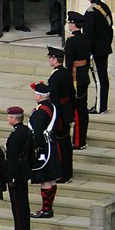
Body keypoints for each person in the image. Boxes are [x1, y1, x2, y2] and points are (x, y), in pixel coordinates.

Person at [29, 82, 62, 218]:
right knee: (51, 179)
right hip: (51, 143)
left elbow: (37, 134)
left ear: (39, 96)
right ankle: (48, 208)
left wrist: (34, 148)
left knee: (46, 179)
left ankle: (46, 209)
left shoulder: (39, 112)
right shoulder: (52, 107)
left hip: (43, 147)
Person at [84, 0, 113, 115]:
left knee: (100, 79)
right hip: (104, 48)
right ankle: (102, 105)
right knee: (103, 77)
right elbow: (110, 28)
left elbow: (89, 35)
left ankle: (101, 107)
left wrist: (88, 51)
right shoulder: (105, 7)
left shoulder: (91, 11)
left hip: (96, 50)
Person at [5, 107, 33, 230]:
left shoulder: (16, 135)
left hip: (17, 173)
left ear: (13, 118)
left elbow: (13, 158)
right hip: (24, 170)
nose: (7, 119)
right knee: (23, 204)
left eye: (9, 116)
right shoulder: (26, 130)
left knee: (18, 205)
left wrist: (10, 177)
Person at [46, 46, 73, 183]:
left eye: (50, 57)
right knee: (65, 144)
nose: (49, 60)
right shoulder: (65, 72)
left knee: (61, 145)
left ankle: (63, 173)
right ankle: (67, 172)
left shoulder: (56, 76)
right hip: (65, 112)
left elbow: (54, 97)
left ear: (55, 59)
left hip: (59, 115)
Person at [65, 11, 91, 150]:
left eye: (69, 22)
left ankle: (78, 141)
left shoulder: (71, 41)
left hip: (75, 78)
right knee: (82, 108)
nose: (68, 24)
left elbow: (69, 64)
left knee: (77, 110)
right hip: (83, 76)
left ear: (73, 24)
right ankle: (82, 138)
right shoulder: (85, 38)